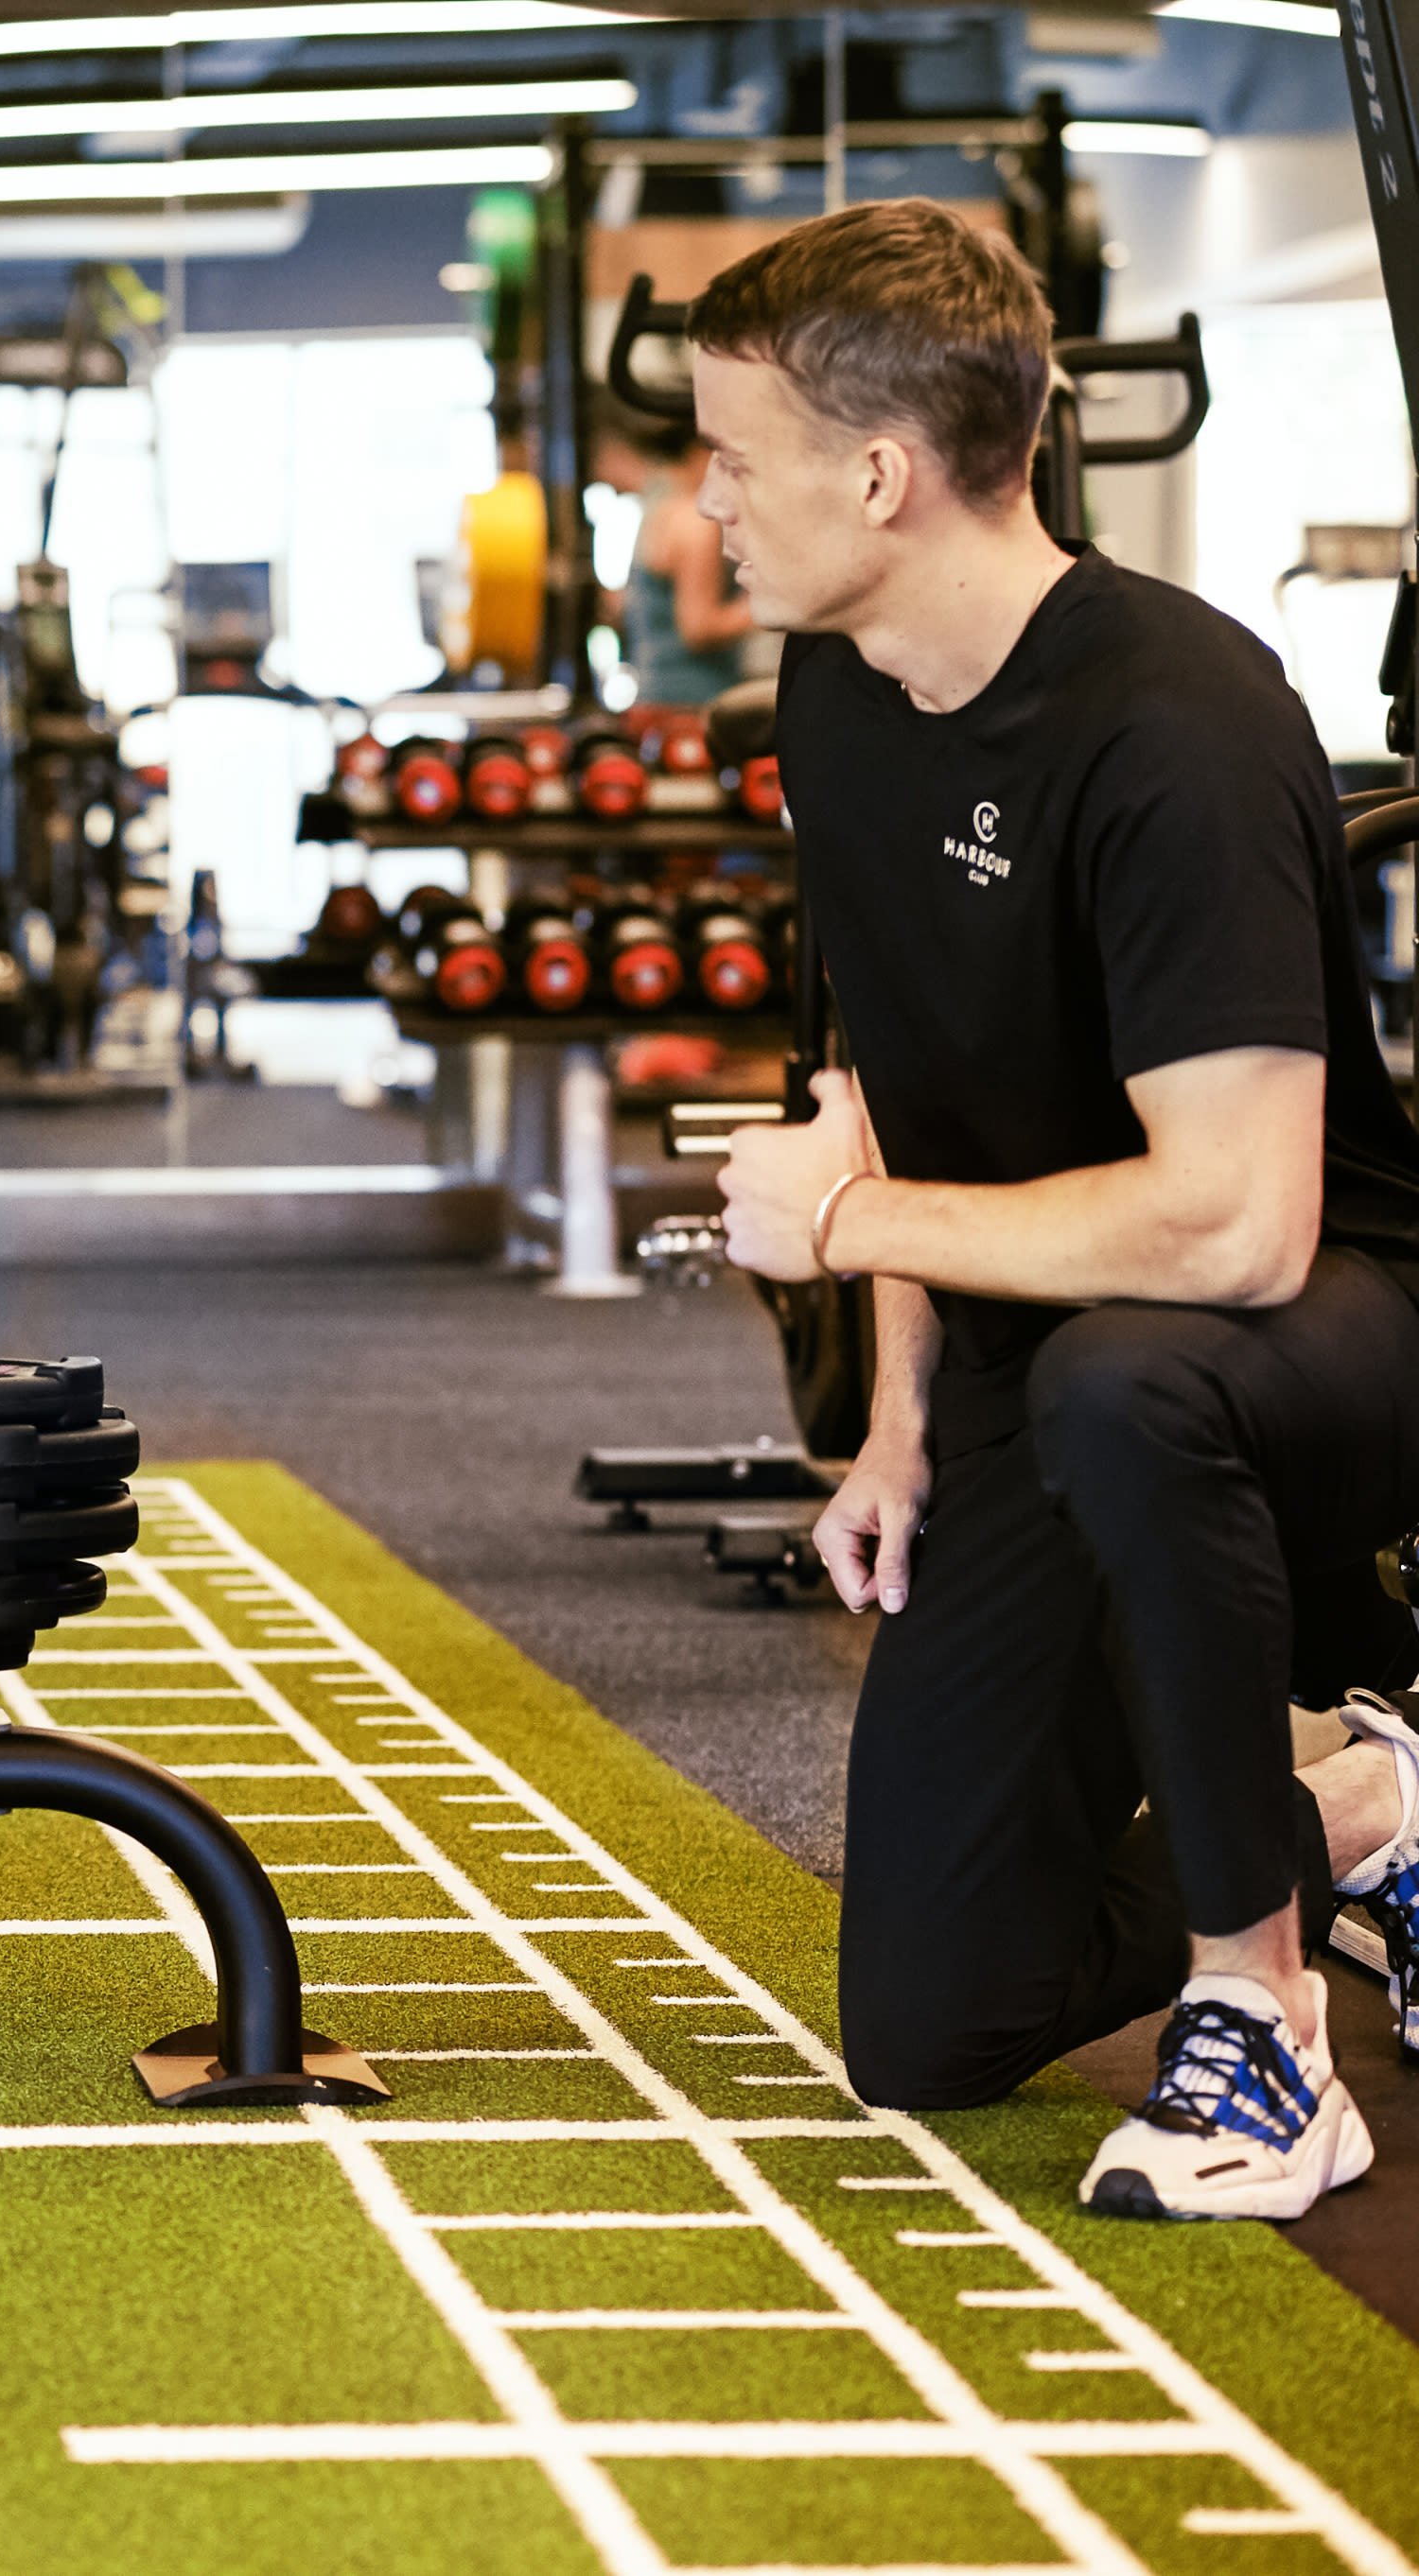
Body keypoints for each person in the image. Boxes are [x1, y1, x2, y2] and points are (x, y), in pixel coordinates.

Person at [695, 199, 1419, 2221]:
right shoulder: (830, 690)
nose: (701, 499)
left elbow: (1238, 1234)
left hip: (1332, 1339)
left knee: (1123, 1383)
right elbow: (901, 1104)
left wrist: (841, 1236)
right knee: (932, 2018)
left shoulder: (1171, 725)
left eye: (729, 455)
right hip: (1063, 1348)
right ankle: (1365, 1807)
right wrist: (899, 1423)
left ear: (874, 469)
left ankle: (1261, 2027)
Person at [597, 412, 754, 705]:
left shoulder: (660, 509)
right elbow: (697, 627)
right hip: (694, 703)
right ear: (702, 454)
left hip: (653, 697)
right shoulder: (696, 521)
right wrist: (768, 605)